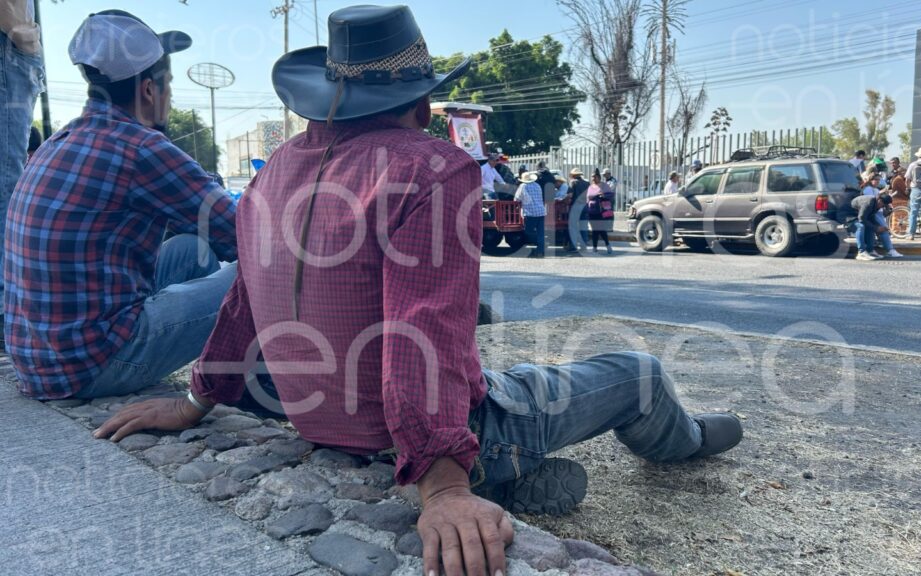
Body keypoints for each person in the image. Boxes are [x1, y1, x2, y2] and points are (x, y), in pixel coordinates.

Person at [92, 8, 743, 576]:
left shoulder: (272, 175)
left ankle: (523, 477)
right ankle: (676, 439)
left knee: (506, 374)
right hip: (451, 433)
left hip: (321, 422)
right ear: (424, 106)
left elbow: (240, 304)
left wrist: (194, 400)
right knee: (637, 371)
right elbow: (420, 329)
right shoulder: (433, 168)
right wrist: (443, 486)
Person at [4, 10, 238, 400]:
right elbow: (244, 233)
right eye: (169, 85)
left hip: (38, 358)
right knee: (253, 275)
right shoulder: (142, 147)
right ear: (149, 90)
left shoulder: (58, 141)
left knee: (189, 250)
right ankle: (238, 387)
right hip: (88, 367)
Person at [1, 0, 44, 335]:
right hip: (7, 41)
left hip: (11, 42)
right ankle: (7, 315)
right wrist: (24, 34)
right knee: (5, 184)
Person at [860, 173, 902, 258]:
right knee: (883, 230)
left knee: (879, 230)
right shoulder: (868, 189)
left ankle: (873, 249)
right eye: (876, 180)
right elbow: (872, 201)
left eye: (879, 180)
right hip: (874, 212)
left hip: (878, 212)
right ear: (871, 180)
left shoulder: (875, 189)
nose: (877, 182)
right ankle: (890, 250)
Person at [852, 192, 893, 261]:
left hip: (858, 215)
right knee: (861, 226)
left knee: (871, 227)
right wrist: (876, 228)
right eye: (883, 205)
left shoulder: (876, 204)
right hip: (849, 215)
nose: (882, 207)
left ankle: (870, 250)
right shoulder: (869, 203)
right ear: (879, 200)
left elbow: (870, 217)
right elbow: (861, 218)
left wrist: (878, 227)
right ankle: (861, 252)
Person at [515, 171, 547, 258]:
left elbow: (517, 198)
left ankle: (540, 244)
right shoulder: (537, 185)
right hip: (541, 211)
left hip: (530, 212)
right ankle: (541, 250)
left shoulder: (523, 186)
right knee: (541, 232)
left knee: (528, 231)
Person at [588, 172, 615, 254]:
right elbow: (588, 197)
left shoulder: (604, 186)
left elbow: (611, 195)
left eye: (594, 177)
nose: (593, 179)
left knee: (601, 230)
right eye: (592, 177)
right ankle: (595, 247)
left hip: (601, 212)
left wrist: (603, 195)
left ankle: (607, 245)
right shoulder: (591, 186)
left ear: (599, 177)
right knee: (594, 230)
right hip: (591, 211)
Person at [567, 167, 590, 252]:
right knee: (583, 226)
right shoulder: (587, 183)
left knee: (573, 227)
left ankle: (573, 246)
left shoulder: (573, 182)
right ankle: (583, 246)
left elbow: (570, 195)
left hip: (575, 207)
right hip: (584, 206)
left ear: (573, 175)